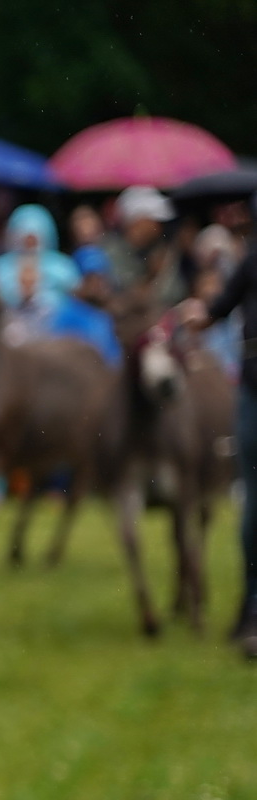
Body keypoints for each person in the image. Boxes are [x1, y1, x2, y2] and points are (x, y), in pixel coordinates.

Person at [182, 202, 257, 655]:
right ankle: (253, 608)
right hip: (253, 393)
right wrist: (197, 313)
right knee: (254, 508)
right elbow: (217, 309)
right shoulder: (250, 262)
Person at [104, 186, 186, 306]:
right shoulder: (110, 253)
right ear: (138, 221)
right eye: (154, 220)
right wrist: (152, 276)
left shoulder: (158, 248)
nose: (160, 226)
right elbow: (126, 299)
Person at [0, 204, 80, 314]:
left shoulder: (62, 266)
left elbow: (74, 296)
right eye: (26, 239)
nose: (30, 244)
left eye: (34, 239)